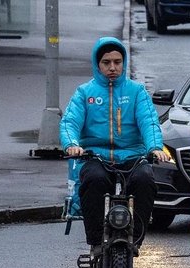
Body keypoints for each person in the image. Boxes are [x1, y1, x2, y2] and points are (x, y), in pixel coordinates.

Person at [60, 37, 168, 254]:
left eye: (117, 62)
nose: (112, 67)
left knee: (145, 179)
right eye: (106, 62)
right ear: (97, 64)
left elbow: (149, 121)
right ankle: (96, 242)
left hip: (132, 155)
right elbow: (70, 122)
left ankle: (135, 239)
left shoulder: (137, 91)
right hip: (95, 156)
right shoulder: (84, 93)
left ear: (123, 63)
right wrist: (72, 144)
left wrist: (155, 147)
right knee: (93, 179)